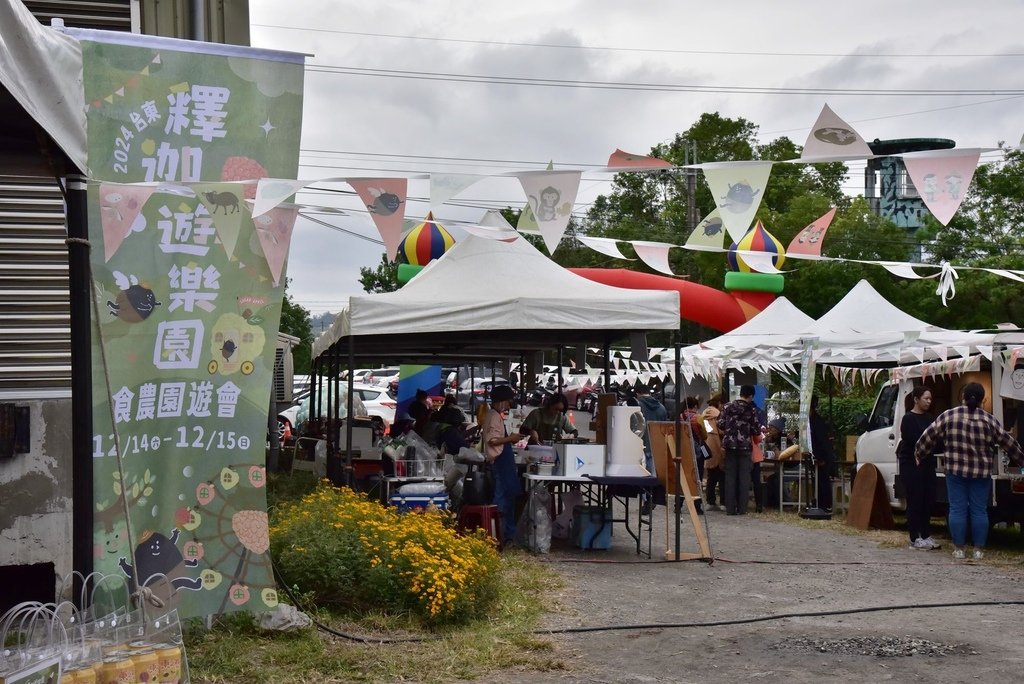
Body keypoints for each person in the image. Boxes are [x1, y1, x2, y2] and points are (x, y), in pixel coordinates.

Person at [916, 382, 1024, 560]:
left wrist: (919, 453)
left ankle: (959, 549)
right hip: (981, 472)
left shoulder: (949, 416)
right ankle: (978, 550)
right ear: (983, 400)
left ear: (963, 397)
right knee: (979, 510)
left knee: (957, 509)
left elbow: (928, 436)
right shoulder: (989, 419)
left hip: (955, 471)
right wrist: (1021, 462)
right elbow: (1009, 443)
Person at [899, 386, 939, 550]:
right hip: (912, 463)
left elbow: (936, 439)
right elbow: (912, 439)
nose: (928, 401)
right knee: (915, 499)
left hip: (928, 463)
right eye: (925, 398)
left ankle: (926, 534)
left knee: (927, 499)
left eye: (930, 399)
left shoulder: (930, 418)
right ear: (916, 399)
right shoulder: (908, 418)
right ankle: (914, 537)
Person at [483, 384, 524, 544]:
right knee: (502, 498)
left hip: (503, 461)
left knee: (508, 497)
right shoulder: (494, 416)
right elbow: (493, 440)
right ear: (500, 401)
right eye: (507, 402)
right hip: (500, 462)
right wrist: (511, 439)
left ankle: (506, 533)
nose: (509, 405)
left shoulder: (495, 415)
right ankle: (498, 533)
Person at [717, 385, 761, 515]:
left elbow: (720, 424)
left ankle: (730, 509)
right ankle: (742, 509)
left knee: (730, 477)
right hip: (745, 447)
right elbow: (756, 430)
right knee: (744, 478)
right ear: (751, 396)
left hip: (729, 446)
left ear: (740, 393)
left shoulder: (727, 406)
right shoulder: (751, 409)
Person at [809, 395, 835, 511]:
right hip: (816, 454)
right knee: (818, 480)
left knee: (823, 480)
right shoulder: (811, 420)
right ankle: (820, 504)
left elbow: (821, 440)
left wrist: (821, 458)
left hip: (822, 455)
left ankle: (826, 505)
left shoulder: (817, 421)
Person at [702, 395, 726, 511]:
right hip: (717, 445)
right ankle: (723, 502)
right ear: (720, 403)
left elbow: (705, 430)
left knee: (711, 477)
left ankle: (710, 501)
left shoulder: (704, 414)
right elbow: (721, 430)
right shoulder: (718, 414)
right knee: (722, 475)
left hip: (707, 445)